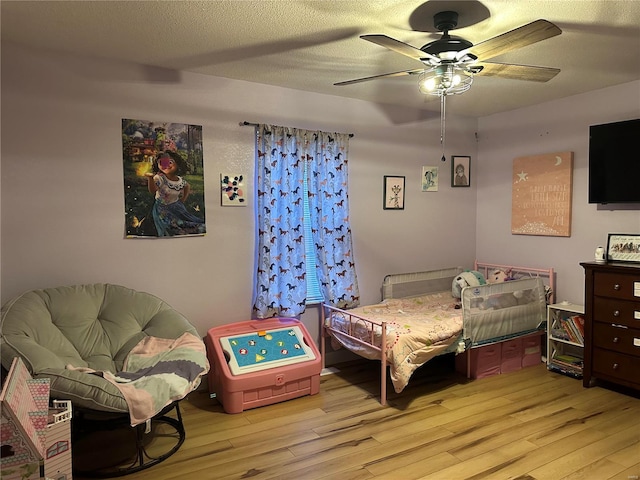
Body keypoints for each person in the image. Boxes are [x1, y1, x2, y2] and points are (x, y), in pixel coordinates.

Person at [146, 151, 205, 236]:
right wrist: (150, 179)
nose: (165, 165)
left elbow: (187, 186)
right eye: (162, 163)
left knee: (189, 220)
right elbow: (153, 190)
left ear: (177, 164)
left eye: (169, 162)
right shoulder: (159, 178)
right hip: (162, 209)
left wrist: (183, 199)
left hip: (177, 206)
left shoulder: (179, 180)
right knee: (172, 226)